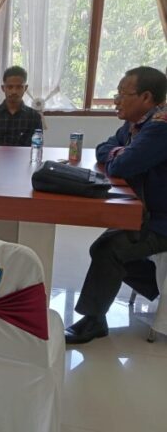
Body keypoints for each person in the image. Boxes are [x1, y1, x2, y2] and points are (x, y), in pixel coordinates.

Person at [65, 66, 167, 344]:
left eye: (123, 94)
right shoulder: (137, 123)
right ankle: (156, 289)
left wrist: (120, 155)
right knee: (105, 248)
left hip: (161, 220)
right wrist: (120, 152)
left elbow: (121, 165)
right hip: (148, 212)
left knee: (108, 249)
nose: (116, 101)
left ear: (146, 97)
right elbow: (104, 148)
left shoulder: (160, 127)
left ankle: (93, 321)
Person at [0, 66, 42, 146]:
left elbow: (36, 149)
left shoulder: (34, 117)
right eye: (10, 87)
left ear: (25, 88)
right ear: (3, 88)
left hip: (23, 155)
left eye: (19, 87)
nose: (14, 91)